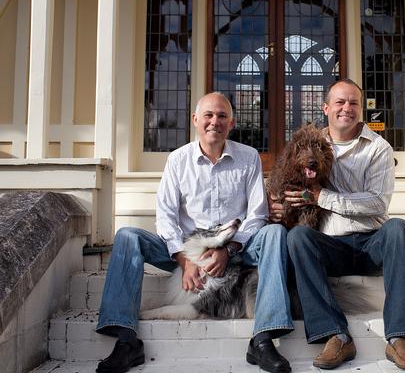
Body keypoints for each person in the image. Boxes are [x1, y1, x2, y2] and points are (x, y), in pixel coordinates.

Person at [95, 92, 294, 373]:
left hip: (237, 249)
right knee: (128, 236)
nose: (215, 122)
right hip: (187, 252)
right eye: (209, 116)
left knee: (274, 233)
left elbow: (257, 214)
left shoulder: (248, 157)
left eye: (222, 116)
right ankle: (127, 340)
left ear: (232, 122)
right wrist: (184, 260)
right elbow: (165, 216)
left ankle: (263, 338)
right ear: (195, 120)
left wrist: (229, 250)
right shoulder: (178, 160)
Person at [277, 79, 405, 371]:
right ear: (326, 108)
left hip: (372, 243)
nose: (347, 108)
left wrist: (321, 197)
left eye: (354, 102)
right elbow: (288, 178)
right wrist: (278, 202)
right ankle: (337, 335)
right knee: (298, 238)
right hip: (331, 245)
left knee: (398, 228)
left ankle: (399, 337)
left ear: (361, 108)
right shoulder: (310, 144)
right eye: (340, 102)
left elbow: (377, 204)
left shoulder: (378, 148)